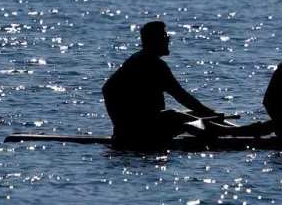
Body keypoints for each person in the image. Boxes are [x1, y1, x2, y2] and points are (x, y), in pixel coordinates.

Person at [102, 21, 265, 146]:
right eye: (165, 38)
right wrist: (122, 125)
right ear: (154, 41)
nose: (168, 41)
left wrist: (209, 113)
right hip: (141, 132)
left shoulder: (137, 59)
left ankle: (240, 131)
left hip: (144, 126)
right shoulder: (151, 64)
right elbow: (181, 95)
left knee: (192, 115)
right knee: (175, 115)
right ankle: (238, 133)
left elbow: (107, 89)